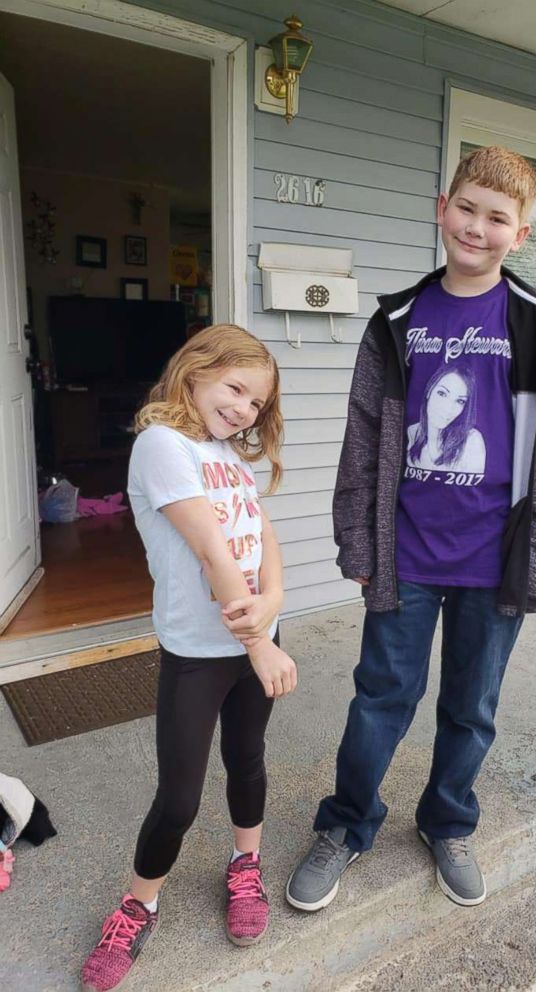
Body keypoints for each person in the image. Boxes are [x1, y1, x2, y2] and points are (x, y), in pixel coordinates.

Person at [286, 145, 536, 912]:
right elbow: (362, 437)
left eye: (497, 218)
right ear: (440, 207)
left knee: (470, 707)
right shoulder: (396, 320)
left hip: (496, 558)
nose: (476, 228)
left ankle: (447, 822)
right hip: (405, 553)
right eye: (466, 208)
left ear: (520, 235)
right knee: (381, 696)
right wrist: (357, 539)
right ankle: (346, 825)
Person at [81, 325, 297, 992]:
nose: (243, 408)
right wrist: (257, 643)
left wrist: (276, 603)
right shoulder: (162, 445)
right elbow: (211, 551)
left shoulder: (224, 452)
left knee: (248, 761)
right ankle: (137, 905)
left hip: (255, 639)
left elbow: (259, 531)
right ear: (194, 373)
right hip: (202, 654)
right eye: (235, 388)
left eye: (256, 402)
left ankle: (244, 866)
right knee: (177, 797)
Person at [407, 365, 486, 473]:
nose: (448, 408)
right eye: (442, 393)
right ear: (429, 391)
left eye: (460, 401)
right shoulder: (413, 432)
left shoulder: (472, 441)